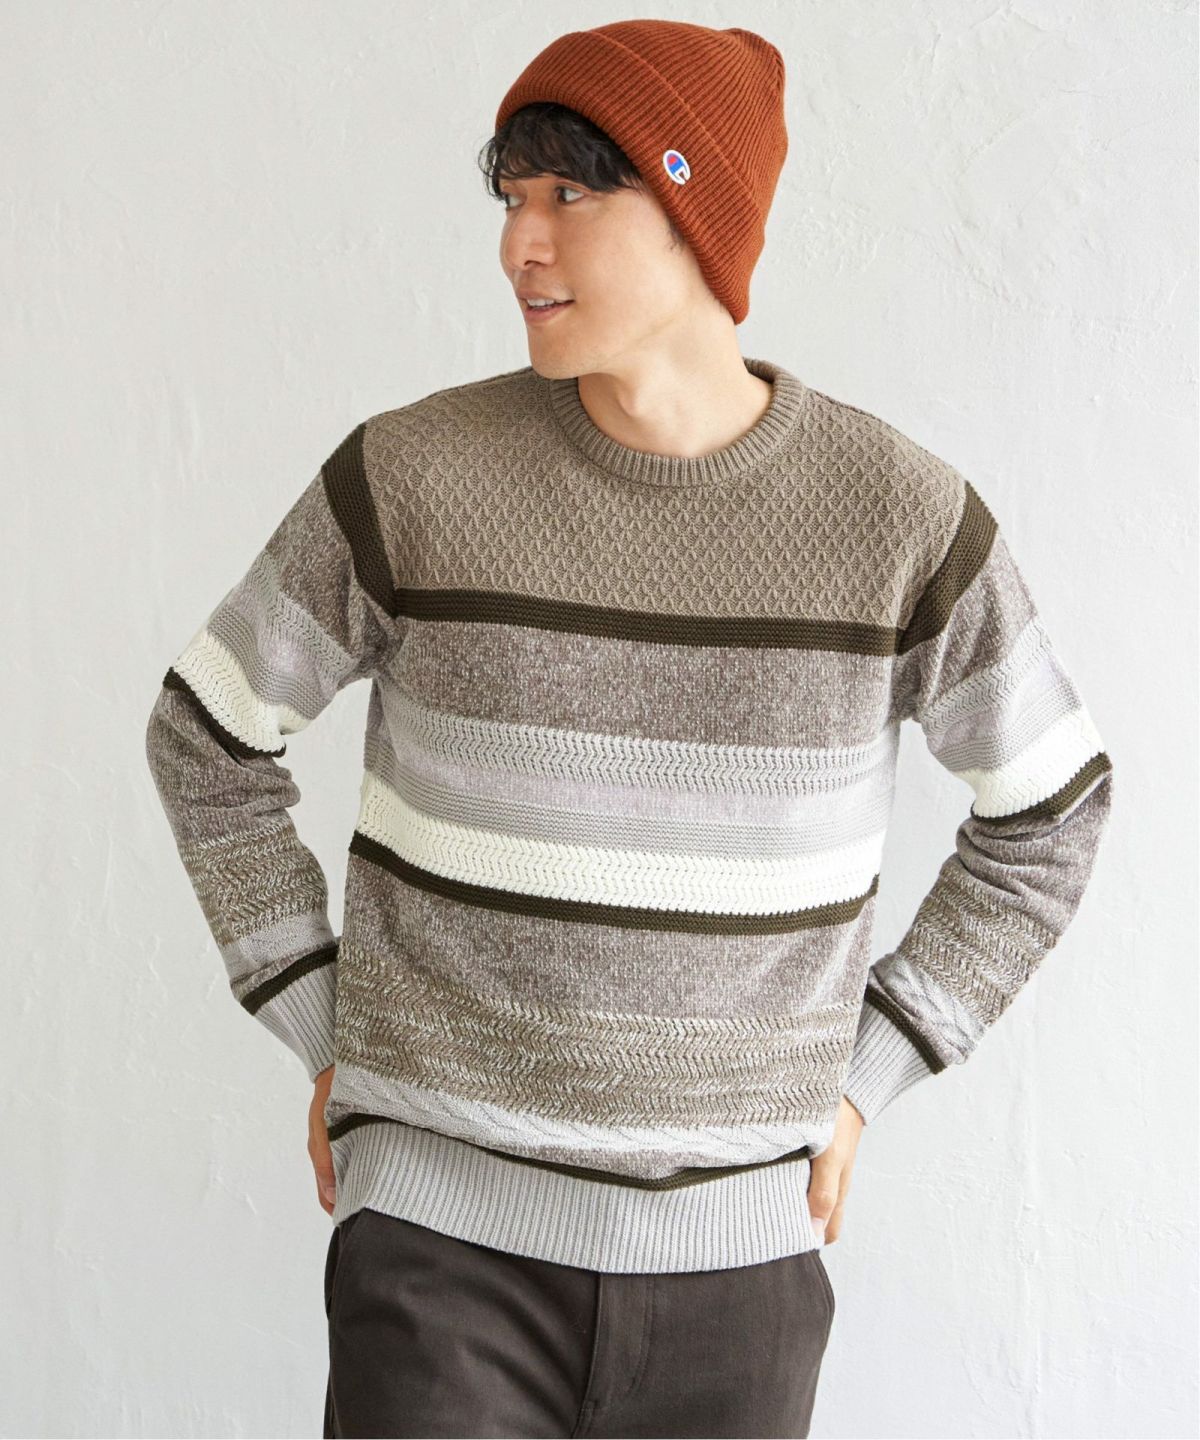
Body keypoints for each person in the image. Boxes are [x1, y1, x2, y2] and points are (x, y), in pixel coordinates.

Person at [144, 19, 1115, 1439]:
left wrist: (872, 1073)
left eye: (569, 196)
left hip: (740, 1274)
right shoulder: (411, 477)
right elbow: (207, 736)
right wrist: (316, 1014)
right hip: (438, 1251)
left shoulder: (897, 518)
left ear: (696, 214)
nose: (518, 245)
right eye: (510, 198)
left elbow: (1051, 813)